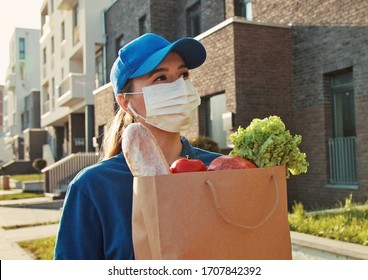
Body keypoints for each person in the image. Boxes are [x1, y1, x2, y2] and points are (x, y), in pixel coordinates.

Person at [54, 33, 222, 259]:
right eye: (160, 78)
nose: (179, 87)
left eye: (183, 75)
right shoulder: (93, 187)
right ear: (125, 102)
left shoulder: (219, 170)